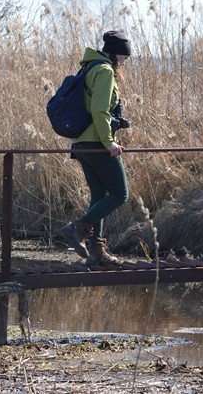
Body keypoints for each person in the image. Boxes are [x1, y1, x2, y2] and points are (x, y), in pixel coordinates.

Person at [61, 30, 131, 266]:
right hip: (97, 143)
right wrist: (109, 142)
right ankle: (78, 229)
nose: (125, 61)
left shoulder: (89, 67)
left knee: (100, 195)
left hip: (81, 143)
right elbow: (99, 111)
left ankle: (96, 251)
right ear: (115, 53)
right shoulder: (104, 70)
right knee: (120, 194)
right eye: (123, 56)